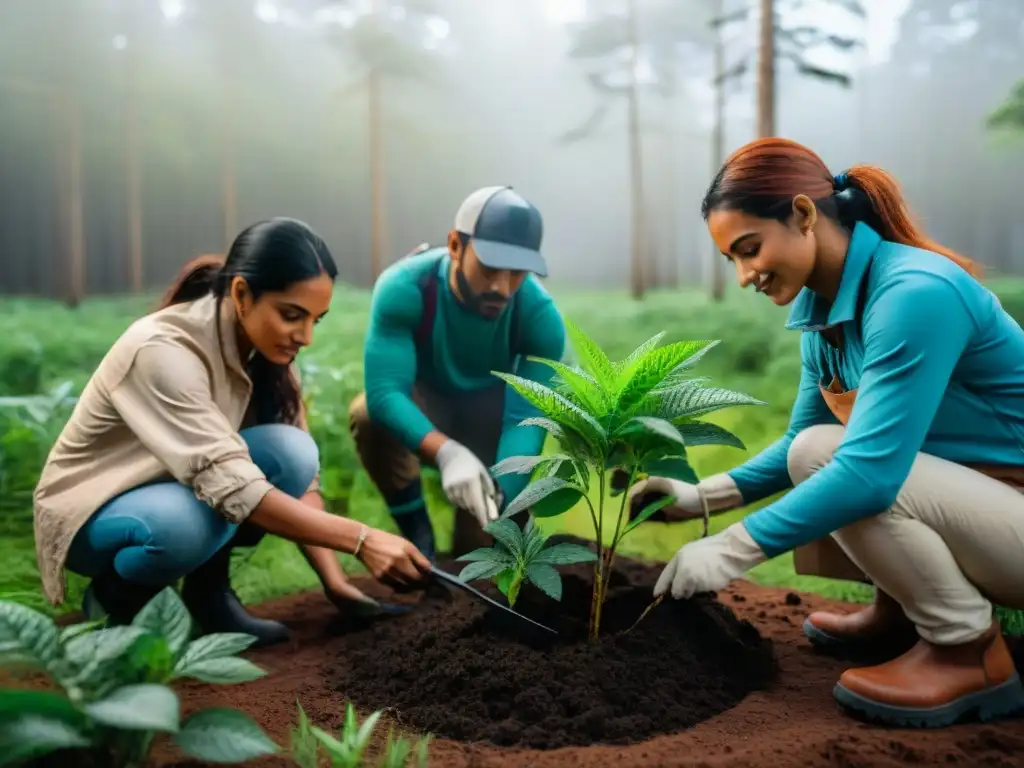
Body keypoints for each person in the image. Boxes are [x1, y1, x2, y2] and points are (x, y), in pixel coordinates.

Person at [627, 138, 1024, 727]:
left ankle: (966, 648)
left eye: (750, 249)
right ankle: (904, 611)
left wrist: (733, 549)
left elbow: (869, 472)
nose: (744, 276)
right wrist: (701, 497)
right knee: (814, 450)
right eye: (731, 260)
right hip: (985, 509)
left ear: (803, 215)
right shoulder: (826, 315)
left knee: (834, 460)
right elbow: (801, 441)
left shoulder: (914, 294)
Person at [33, 218, 431, 647]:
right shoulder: (162, 350)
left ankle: (208, 594)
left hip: (179, 486)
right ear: (241, 294)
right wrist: (362, 540)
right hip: (97, 509)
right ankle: (115, 600)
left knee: (293, 453)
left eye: (316, 320)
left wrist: (335, 582)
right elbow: (233, 486)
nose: (306, 337)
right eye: (292, 315)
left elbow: (299, 482)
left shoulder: (265, 350)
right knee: (180, 526)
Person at [349, 186, 566, 560]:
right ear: (455, 246)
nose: (501, 287)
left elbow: (526, 419)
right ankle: (419, 538)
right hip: (425, 407)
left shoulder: (539, 316)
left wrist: (500, 497)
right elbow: (385, 393)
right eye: (489, 268)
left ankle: (495, 527)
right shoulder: (406, 287)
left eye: (517, 273)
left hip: (492, 423)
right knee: (366, 413)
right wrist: (447, 453)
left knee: (478, 553)